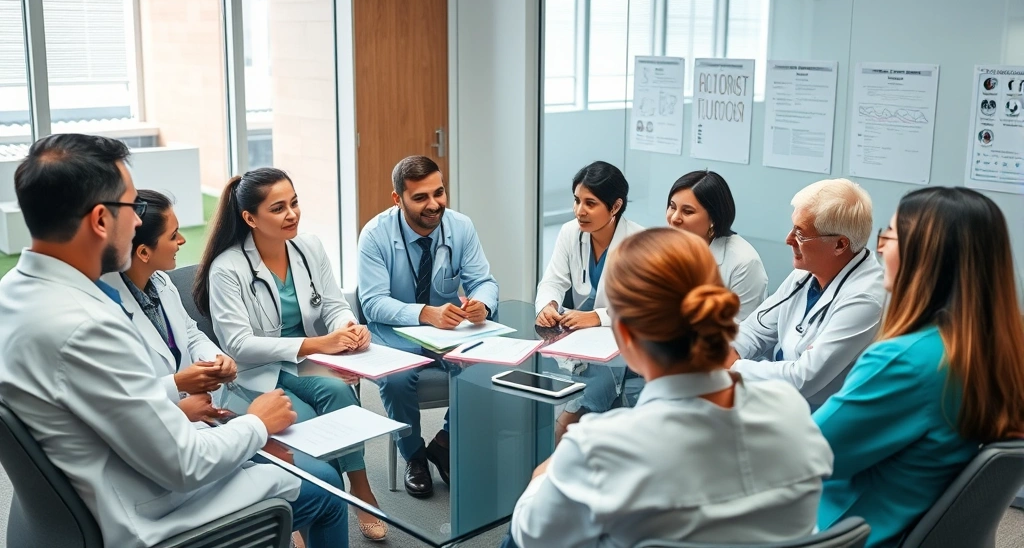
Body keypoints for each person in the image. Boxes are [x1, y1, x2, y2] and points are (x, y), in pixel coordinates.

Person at [0, 133, 348, 548]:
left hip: (95, 487)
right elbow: (185, 464)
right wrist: (259, 421)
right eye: (132, 207)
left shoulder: (13, 294)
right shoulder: (87, 327)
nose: (136, 222)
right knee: (325, 487)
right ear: (99, 220)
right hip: (143, 511)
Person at [509, 228, 833, 547]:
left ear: (624, 335)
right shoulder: (791, 412)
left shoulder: (598, 448)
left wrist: (544, 476)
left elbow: (533, 536)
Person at [814, 187, 1024, 547]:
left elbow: (803, 456)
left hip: (842, 533)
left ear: (924, 255)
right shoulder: (998, 350)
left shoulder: (906, 361)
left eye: (889, 236)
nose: (880, 248)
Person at [194, 168, 386, 540]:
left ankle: (359, 490)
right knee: (317, 408)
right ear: (250, 218)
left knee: (338, 392)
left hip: (307, 360)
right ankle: (313, 500)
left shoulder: (309, 247)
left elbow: (332, 305)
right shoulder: (227, 269)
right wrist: (318, 344)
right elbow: (238, 344)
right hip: (258, 368)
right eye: (279, 208)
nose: (292, 214)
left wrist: (348, 326)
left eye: (294, 203)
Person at [357, 155, 498, 498]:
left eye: (439, 193)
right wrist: (424, 313)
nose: (434, 205)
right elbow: (372, 303)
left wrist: (482, 304)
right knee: (397, 379)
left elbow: (484, 281)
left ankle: (444, 442)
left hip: (448, 332)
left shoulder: (460, 227)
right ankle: (415, 456)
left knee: (486, 365)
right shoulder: (375, 235)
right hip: (395, 331)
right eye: (420, 197)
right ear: (398, 199)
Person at [728, 179, 885, 408]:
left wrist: (733, 367)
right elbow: (757, 328)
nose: (788, 239)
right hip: (777, 399)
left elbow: (803, 378)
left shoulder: (865, 299)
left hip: (819, 418)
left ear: (840, 245)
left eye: (800, 233)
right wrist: (724, 352)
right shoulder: (808, 272)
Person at [101, 190, 236, 421]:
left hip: (195, 418)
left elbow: (191, 334)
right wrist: (178, 384)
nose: (182, 240)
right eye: (173, 236)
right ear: (144, 252)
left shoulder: (160, 282)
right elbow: (116, 399)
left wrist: (215, 359)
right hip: (153, 428)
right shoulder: (105, 311)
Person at [534, 161, 644, 440]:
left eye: (590, 203)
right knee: (534, 403)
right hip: (582, 347)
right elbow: (553, 281)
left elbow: (644, 307)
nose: (579, 211)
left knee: (567, 422)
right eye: (576, 200)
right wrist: (548, 305)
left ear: (615, 206)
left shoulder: (640, 242)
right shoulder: (571, 232)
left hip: (625, 349)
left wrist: (597, 317)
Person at [665, 170, 767, 320]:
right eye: (672, 207)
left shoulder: (744, 262)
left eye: (687, 211)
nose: (674, 218)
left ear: (714, 218)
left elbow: (744, 331)